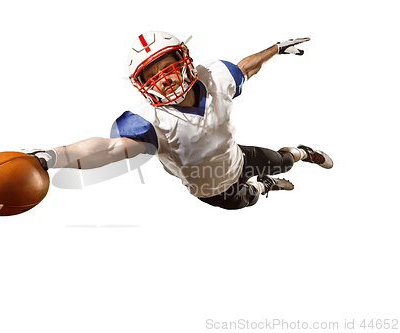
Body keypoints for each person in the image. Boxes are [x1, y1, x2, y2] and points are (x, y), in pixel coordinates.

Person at [28, 31, 333, 210]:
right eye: (152, 75)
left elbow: (245, 68)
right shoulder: (147, 121)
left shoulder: (213, 76)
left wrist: (275, 49)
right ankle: (266, 187)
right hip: (211, 189)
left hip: (239, 158)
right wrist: (56, 156)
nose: (164, 80)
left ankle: (303, 152)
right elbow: (108, 150)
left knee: (283, 160)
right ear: (142, 83)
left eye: (167, 67)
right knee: (248, 199)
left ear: (184, 61)